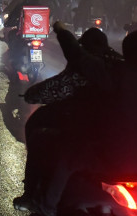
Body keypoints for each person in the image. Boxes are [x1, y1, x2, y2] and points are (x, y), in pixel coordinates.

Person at [15, 22, 137, 216]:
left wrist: (62, 32)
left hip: (118, 159)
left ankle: (44, 206)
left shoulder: (119, 74)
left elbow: (78, 57)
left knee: (67, 156)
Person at [16, 28, 122, 212]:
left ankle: (32, 196)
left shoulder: (84, 68)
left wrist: (31, 94)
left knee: (40, 138)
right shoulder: (119, 68)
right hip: (116, 136)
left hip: (87, 131)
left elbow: (56, 87)